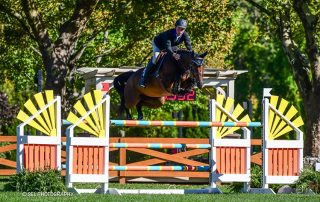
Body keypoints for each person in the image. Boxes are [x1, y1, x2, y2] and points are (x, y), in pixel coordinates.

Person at [139, 18, 193, 88]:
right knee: (155, 58)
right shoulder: (168, 34)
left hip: (172, 46)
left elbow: (189, 46)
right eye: (179, 28)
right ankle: (144, 77)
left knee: (179, 56)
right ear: (175, 27)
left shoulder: (185, 35)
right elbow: (167, 48)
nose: (180, 31)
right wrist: (173, 54)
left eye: (182, 29)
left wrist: (193, 55)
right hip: (158, 45)